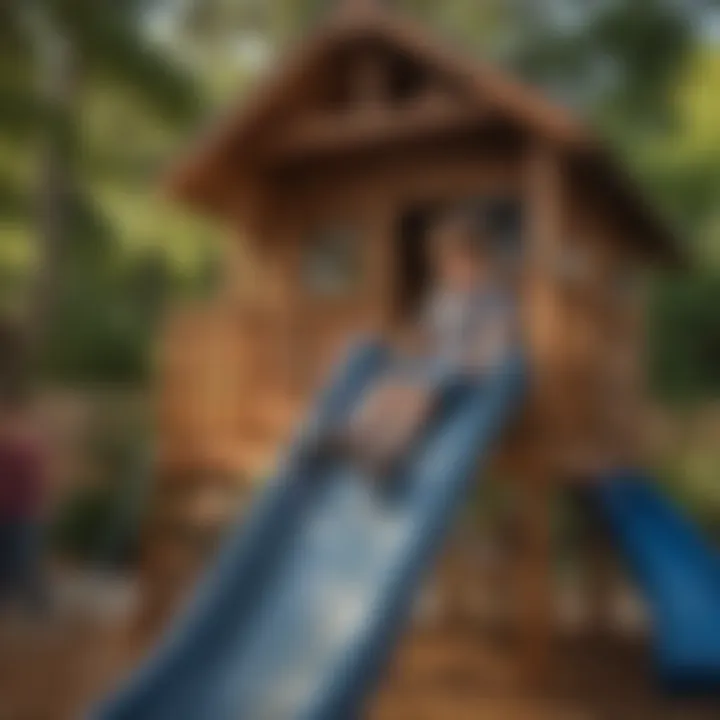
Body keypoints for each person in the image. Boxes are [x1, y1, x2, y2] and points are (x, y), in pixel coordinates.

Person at [337, 202, 517, 475]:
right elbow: (427, 333)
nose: (452, 272)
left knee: (419, 395)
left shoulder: (495, 302)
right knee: (389, 385)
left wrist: (473, 359)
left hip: (465, 377)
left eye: (460, 263)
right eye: (447, 266)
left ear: (480, 263)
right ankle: (355, 435)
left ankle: (387, 453)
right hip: (435, 365)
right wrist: (411, 344)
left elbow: (494, 345)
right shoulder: (443, 299)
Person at [0, 388, 48, 616]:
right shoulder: (16, 446)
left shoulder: (24, 446)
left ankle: (39, 605)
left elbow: (35, 480)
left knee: (23, 561)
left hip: (20, 513)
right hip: (9, 513)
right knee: (9, 563)